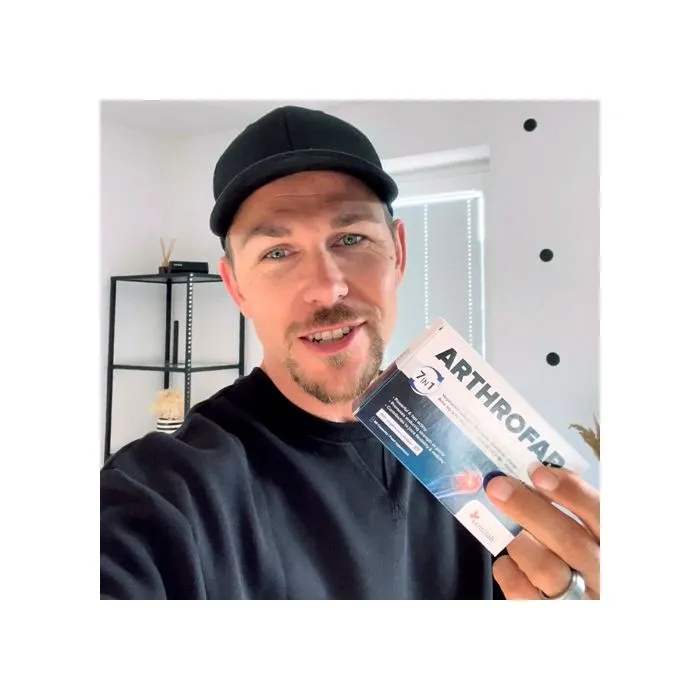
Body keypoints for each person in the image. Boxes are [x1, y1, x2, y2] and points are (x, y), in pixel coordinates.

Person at [100, 105, 600, 600]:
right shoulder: (166, 493)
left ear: (398, 253)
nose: (327, 288)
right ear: (235, 287)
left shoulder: (480, 457)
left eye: (351, 238)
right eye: (277, 252)